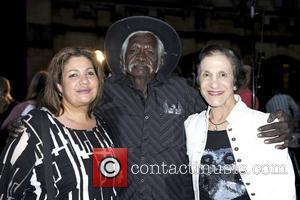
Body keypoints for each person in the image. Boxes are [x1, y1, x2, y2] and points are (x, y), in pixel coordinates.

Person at [95, 16, 292, 200]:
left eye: (149, 51)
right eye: (134, 50)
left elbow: (222, 108)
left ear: (161, 61)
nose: (141, 56)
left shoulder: (182, 91)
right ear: (122, 59)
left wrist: (277, 123)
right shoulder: (104, 93)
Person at [0, 47, 118, 199]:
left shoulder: (104, 128)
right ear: (59, 85)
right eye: (73, 75)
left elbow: (111, 188)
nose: (84, 80)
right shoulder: (34, 128)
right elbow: (6, 192)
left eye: (90, 73)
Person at [184, 44, 296, 200]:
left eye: (223, 74)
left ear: (235, 81)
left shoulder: (266, 125)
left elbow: (284, 190)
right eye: (206, 75)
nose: (214, 83)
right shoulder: (191, 125)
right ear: (198, 81)